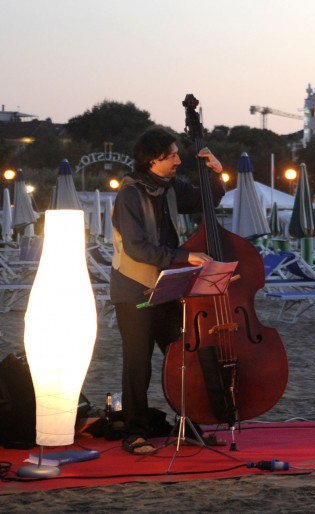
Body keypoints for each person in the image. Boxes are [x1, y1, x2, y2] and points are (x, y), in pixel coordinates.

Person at [110, 127, 225, 455]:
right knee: (138, 364)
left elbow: (207, 198)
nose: (178, 159)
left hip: (169, 287)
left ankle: (189, 425)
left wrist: (216, 174)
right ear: (152, 160)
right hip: (136, 292)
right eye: (171, 155)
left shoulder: (173, 187)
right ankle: (134, 433)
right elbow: (138, 249)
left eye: (177, 153)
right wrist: (184, 255)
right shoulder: (130, 194)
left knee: (184, 355)